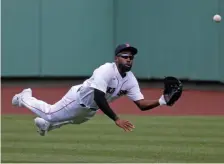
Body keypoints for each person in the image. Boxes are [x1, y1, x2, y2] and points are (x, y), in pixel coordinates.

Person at [12, 43, 168, 136]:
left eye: (131, 57)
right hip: (77, 99)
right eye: (125, 55)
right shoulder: (106, 70)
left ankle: (45, 125)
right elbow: (99, 96)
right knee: (50, 113)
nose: (128, 59)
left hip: (90, 110)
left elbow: (141, 104)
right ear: (116, 58)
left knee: (74, 120)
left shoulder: (130, 79)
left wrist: (162, 100)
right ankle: (24, 97)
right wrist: (116, 119)